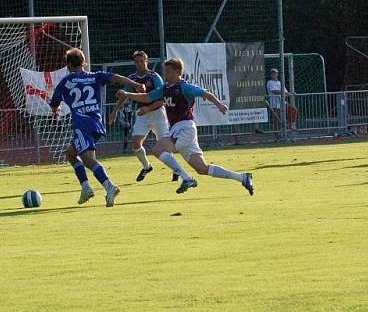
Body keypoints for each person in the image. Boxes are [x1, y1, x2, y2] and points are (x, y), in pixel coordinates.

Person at [117, 57, 254, 196]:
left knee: (158, 149)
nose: (166, 74)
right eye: (166, 71)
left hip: (185, 127)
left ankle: (187, 178)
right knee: (202, 168)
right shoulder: (164, 88)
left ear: (178, 72)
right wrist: (128, 94)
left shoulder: (184, 87)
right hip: (179, 129)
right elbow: (146, 97)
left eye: (169, 71)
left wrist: (219, 104)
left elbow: (204, 93)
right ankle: (243, 177)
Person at [49, 48, 145, 207]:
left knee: (88, 159)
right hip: (97, 123)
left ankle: (109, 186)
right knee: (71, 154)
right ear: (83, 62)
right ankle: (86, 187)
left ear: (69, 65)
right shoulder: (94, 76)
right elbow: (116, 78)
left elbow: (54, 104)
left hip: (81, 124)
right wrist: (135, 83)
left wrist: (55, 112)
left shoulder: (66, 82)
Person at [108, 50, 175, 182]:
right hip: (142, 115)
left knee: (164, 145)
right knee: (135, 142)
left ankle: (176, 170)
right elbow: (124, 95)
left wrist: (148, 108)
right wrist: (114, 111)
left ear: (146, 61)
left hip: (158, 114)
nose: (139, 64)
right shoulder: (132, 78)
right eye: (137, 62)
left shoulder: (154, 77)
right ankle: (146, 166)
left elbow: (162, 98)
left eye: (142, 61)